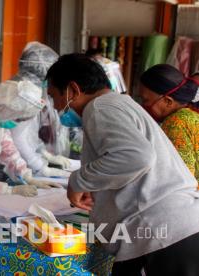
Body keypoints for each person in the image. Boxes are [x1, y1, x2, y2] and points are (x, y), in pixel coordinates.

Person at [46, 53, 199, 276]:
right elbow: (125, 162)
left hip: (165, 232)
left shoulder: (100, 108)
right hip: (161, 230)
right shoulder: (116, 103)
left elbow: (137, 157)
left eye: (53, 96)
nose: (56, 106)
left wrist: (78, 181)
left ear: (73, 90)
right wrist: (97, 185)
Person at [9, 41, 72, 178]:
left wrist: (45, 155)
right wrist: (40, 166)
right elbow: (16, 138)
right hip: (13, 163)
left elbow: (29, 133)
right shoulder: (24, 94)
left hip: (22, 160)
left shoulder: (30, 88)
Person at [139, 64, 199, 183]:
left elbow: (181, 180)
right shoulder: (191, 115)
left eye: (146, 100)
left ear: (168, 101)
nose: (143, 106)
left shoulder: (176, 123)